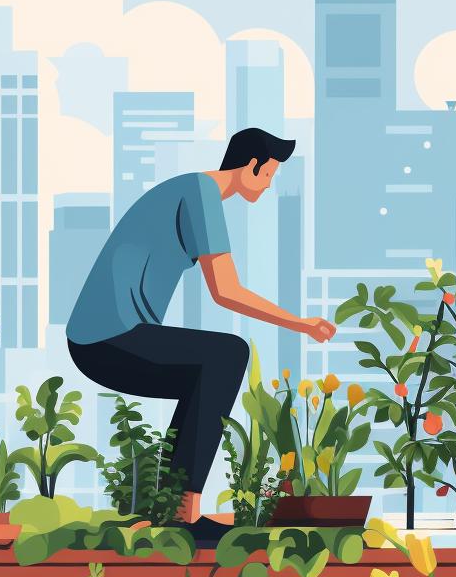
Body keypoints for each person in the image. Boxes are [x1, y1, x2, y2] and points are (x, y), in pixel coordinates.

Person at [66, 127, 336, 541]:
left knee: (208, 372)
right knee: (226, 355)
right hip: (108, 338)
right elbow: (225, 291)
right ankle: (181, 513)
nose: (268, 186)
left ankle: (174, 510)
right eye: (268, 175)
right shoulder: (202, 193)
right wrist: (301, 324)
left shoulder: (193, 192)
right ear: (251, 165)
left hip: (105, 339)